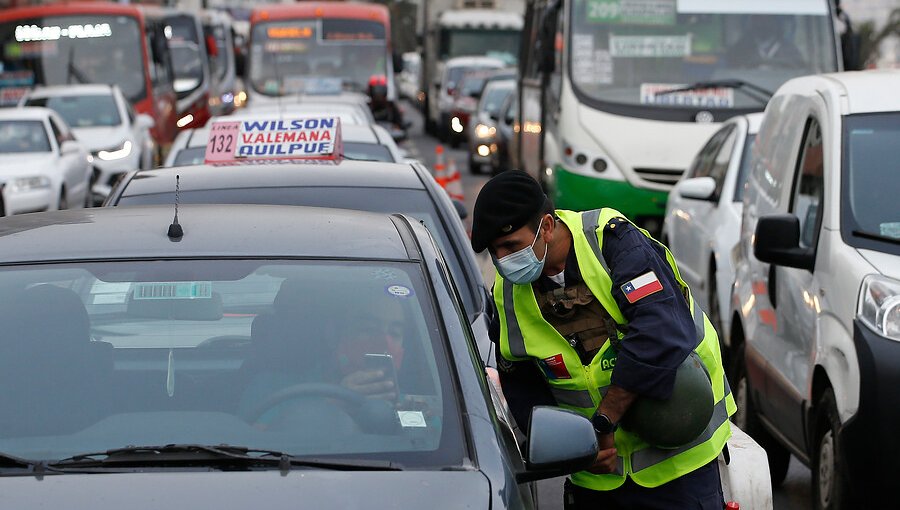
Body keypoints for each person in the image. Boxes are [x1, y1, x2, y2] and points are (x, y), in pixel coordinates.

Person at [470, 171, 736, 509]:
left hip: (678, 465)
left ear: (547, 227)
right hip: (598, 480)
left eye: (512, 246)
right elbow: (519, 382)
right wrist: (570, 450)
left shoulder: (611, 242)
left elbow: (661, 331)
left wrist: (605, 419)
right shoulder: (508, 296)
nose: (505, 260)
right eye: (496, 252)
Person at [725, 15, 805, 69]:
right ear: (751, 23)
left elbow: (798, 70)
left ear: (775, 23)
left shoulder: (790, 50)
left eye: (767, 19)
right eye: (758, 19)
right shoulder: (739, 49)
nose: (762, 23)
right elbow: (731, 71)